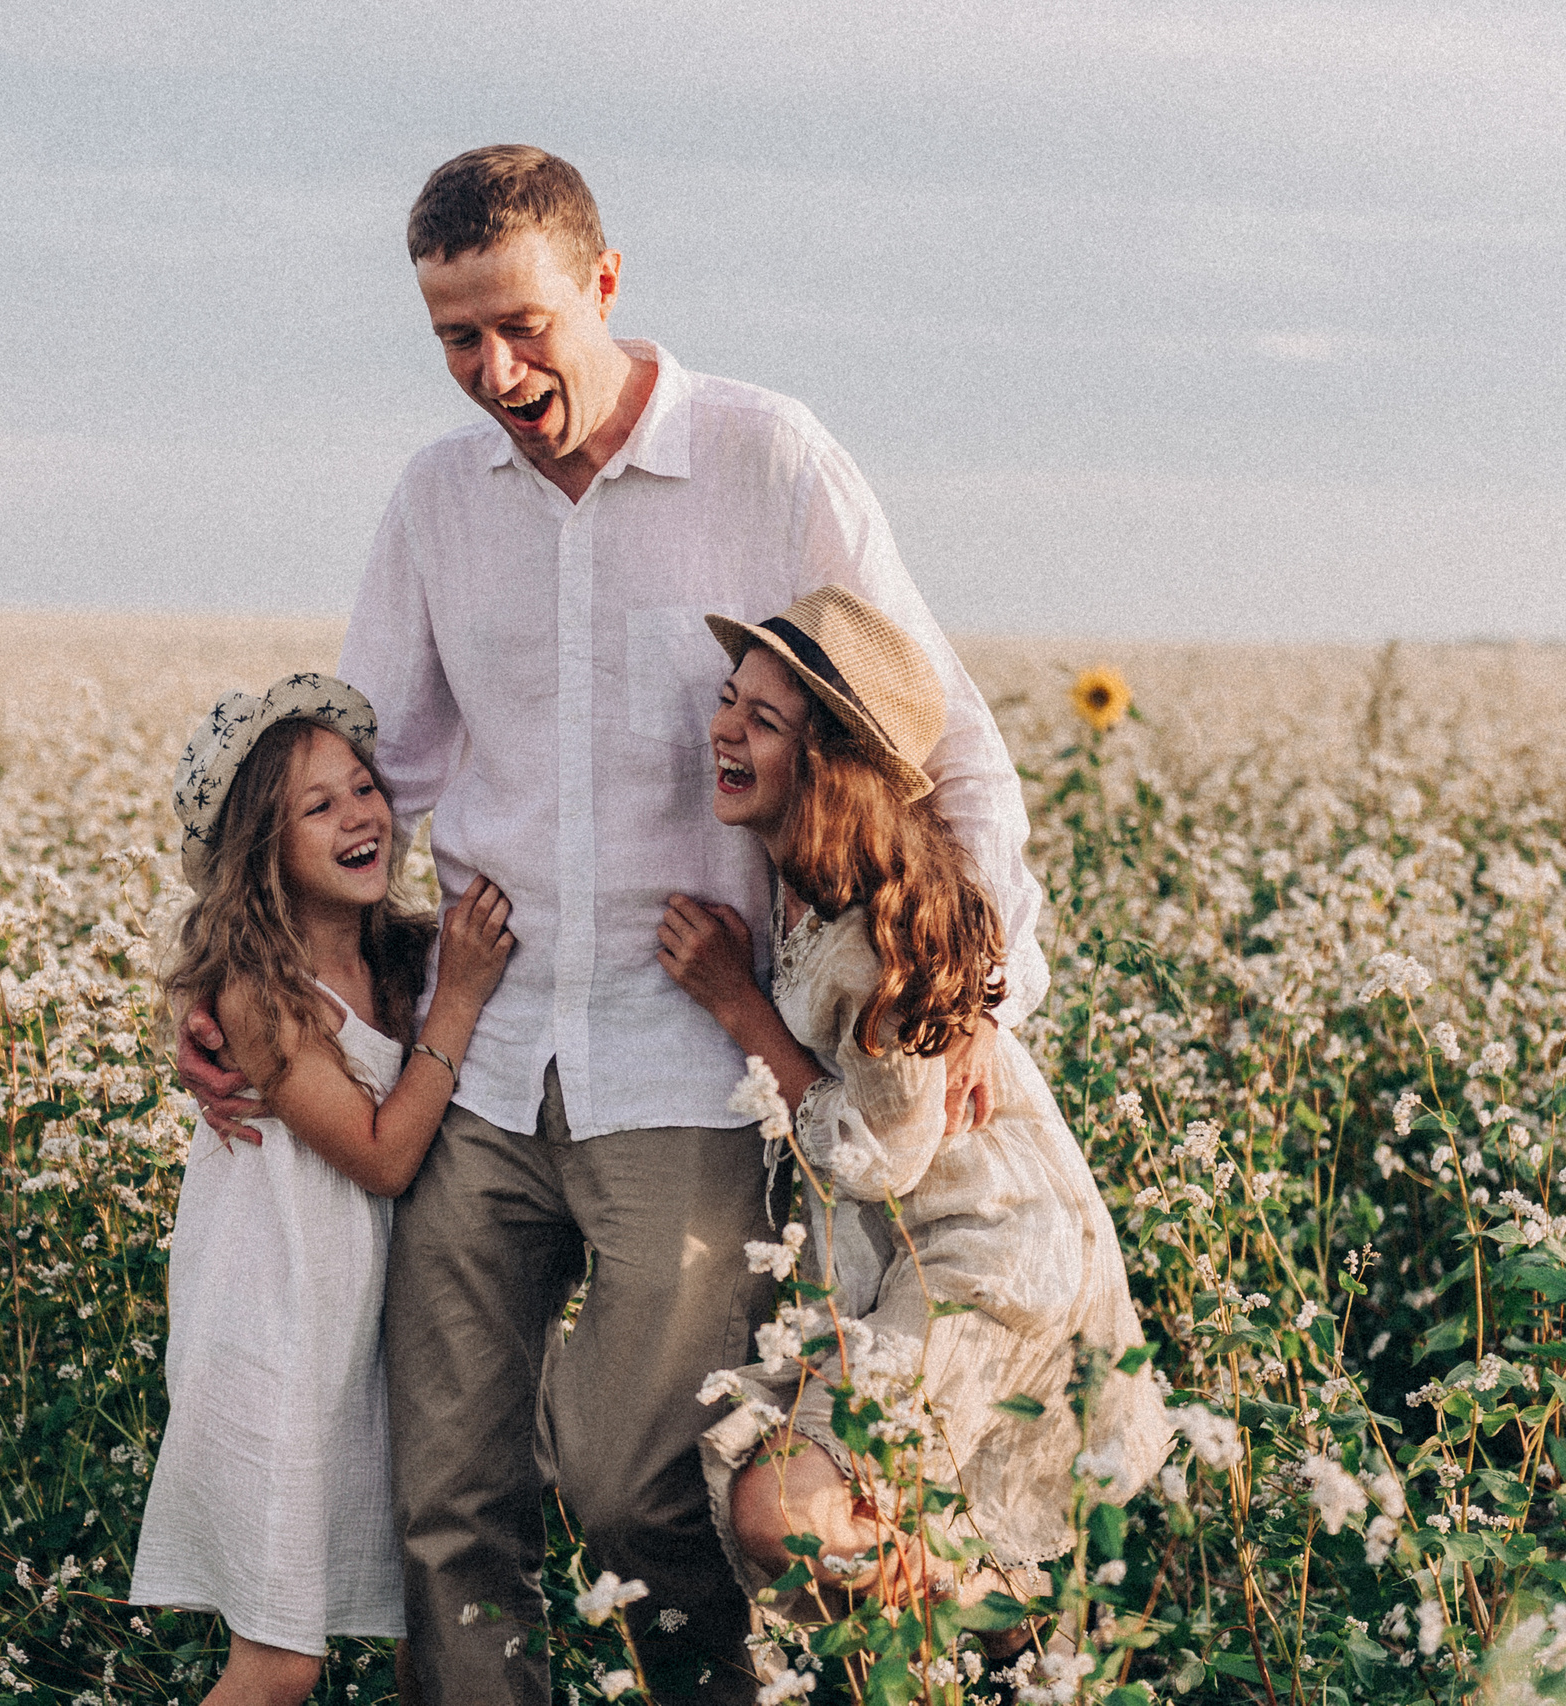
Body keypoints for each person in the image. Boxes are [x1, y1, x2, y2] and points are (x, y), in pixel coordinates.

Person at [176, 146, 1050, 1704]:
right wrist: (238, 987)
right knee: (448, 1505)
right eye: (454, 338)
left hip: (691, 1074)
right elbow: (362, 776)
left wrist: (976, 992)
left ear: (606, 283)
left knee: (644, 1482)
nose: (494, 373)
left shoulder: (767, 458)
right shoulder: (436, 500)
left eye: (520, 325)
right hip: (483, 1060)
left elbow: (948, 738)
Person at [654, 587, 1169, 1650]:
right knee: (845, 1519)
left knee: (788, 1509)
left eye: (762, 719)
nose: (723, 728)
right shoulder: (810, 868)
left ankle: (1015, 1619)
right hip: (924, 1259)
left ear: (828, 764)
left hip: (987, 1258)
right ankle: (1001, 1631)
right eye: (726, 699)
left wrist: (735, 1003)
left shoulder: (879, 936)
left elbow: (881, 1153)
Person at [131, 673, 517, 1706]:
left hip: (362, 1343)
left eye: (363, 787)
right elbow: (384, 1155)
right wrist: (465, 1000)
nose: (360, 815)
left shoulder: (401, 958)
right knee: (281, 1660)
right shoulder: (258, 993)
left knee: (412, 1615)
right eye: (318, 805)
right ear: (263, 847)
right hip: (269, 1334)